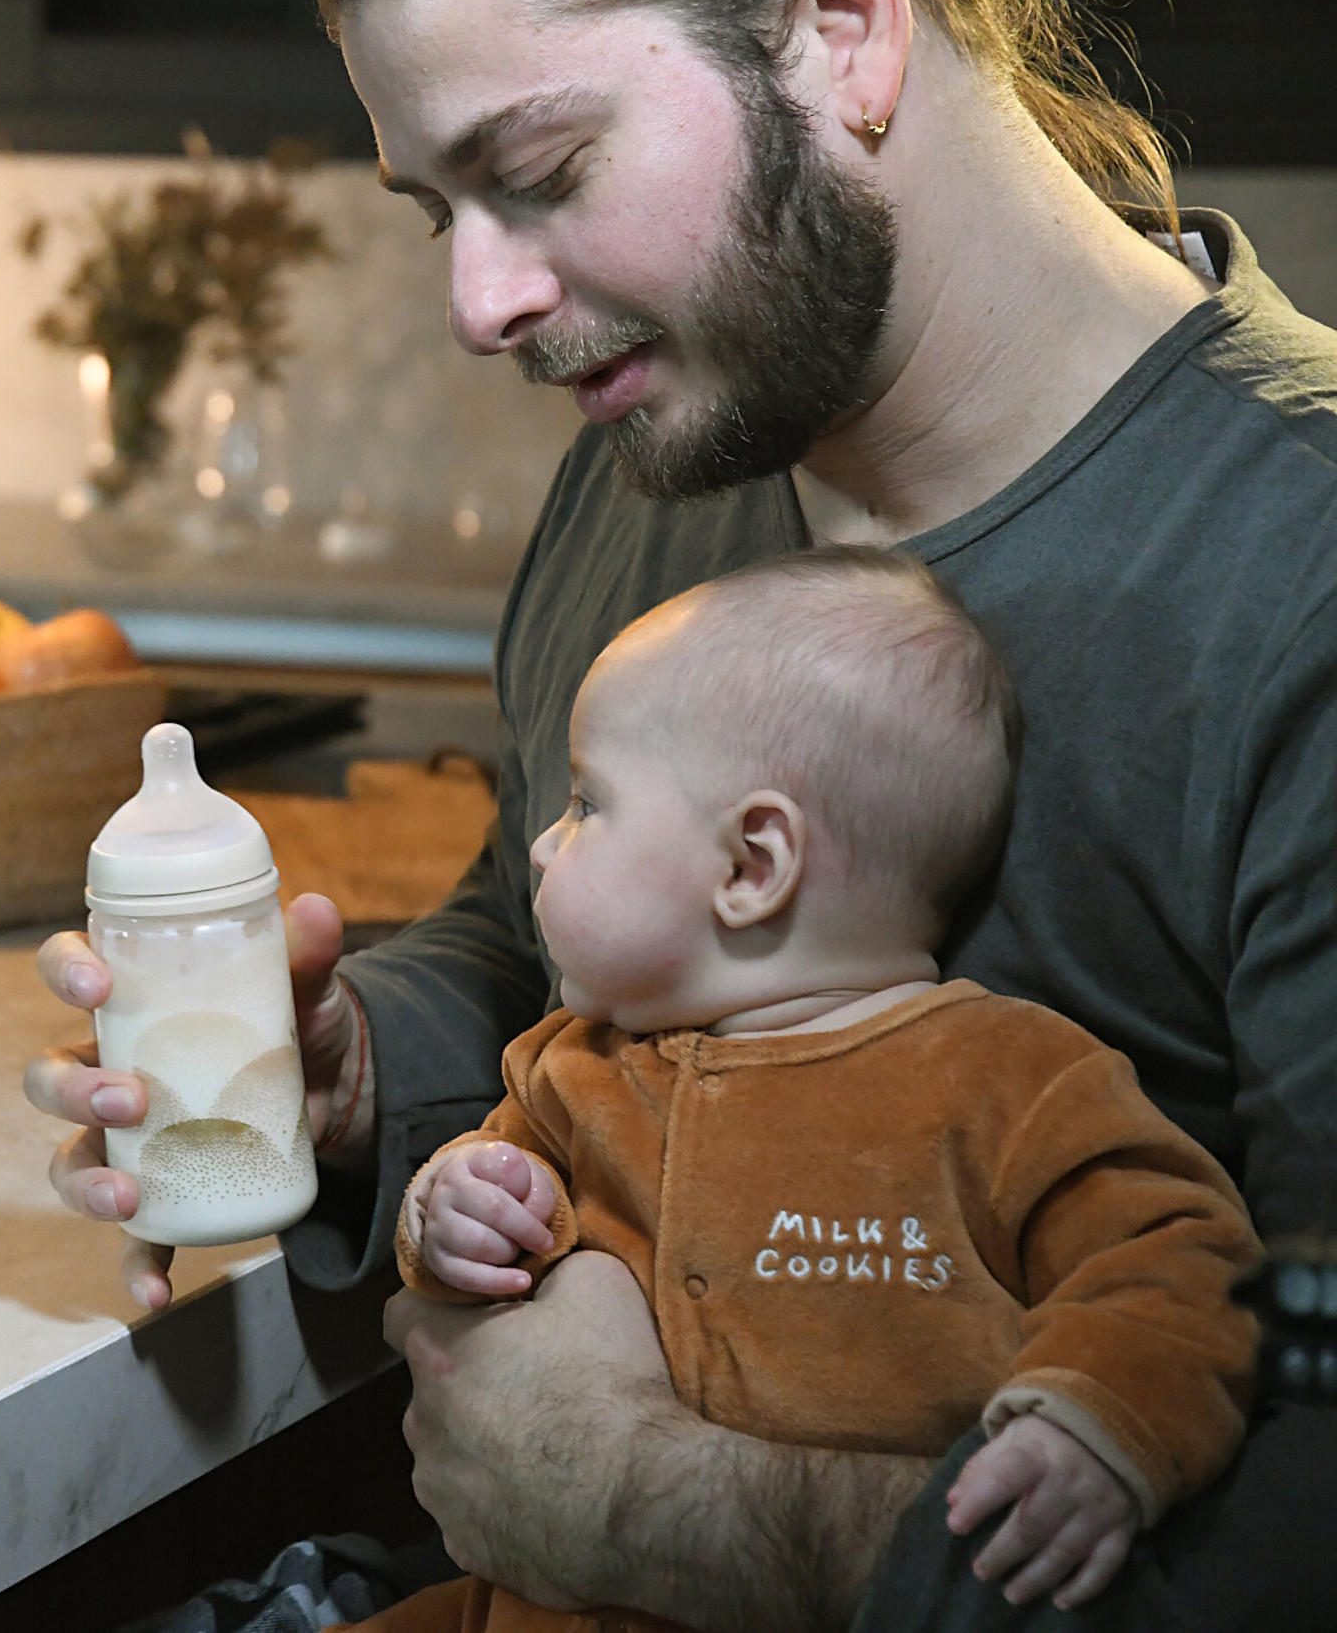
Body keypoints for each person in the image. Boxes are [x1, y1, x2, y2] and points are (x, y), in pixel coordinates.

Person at [24, 0, 1337, 1627]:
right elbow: (526, 940)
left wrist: (656, 1499)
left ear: (844, 31)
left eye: (544, 168)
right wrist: (348, 1078)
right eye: (441, 211)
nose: (480, 302)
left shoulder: (1295, 572)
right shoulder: (679, 457)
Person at [384, 548, 1258, 1631]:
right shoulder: (569, 1068)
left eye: (583, 800)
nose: (540, 839)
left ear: (752, 863)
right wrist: (449, 1206)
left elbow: (1184, 1256)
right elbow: (474, 1233)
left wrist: (1093, 1423)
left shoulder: (1009, 1083)